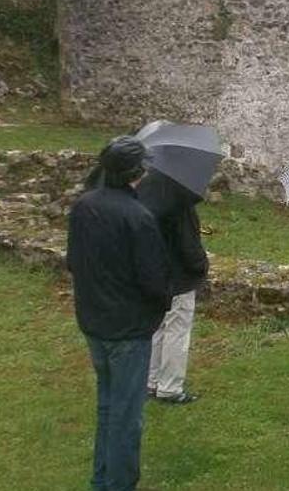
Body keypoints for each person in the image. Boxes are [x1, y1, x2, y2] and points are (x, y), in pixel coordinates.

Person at [66, 136, 171, 491]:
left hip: (94, 321)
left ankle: (102, 479)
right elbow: (154, 280)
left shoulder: (84, 206)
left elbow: (73, 262)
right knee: (127, 417)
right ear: (134, 173)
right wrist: (160, 304)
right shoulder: (137, 216)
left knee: (108, 407)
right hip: (127, 329)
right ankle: (119, 484)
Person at [137, 170, 208, 404]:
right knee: (177, 329)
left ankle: (152, 379)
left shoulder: (145, 189)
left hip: (155, 272)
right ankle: (170, 386)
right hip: (178, 275)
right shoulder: (177, 197)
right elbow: (188, 245)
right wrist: (200, 266)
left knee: (157, 326)